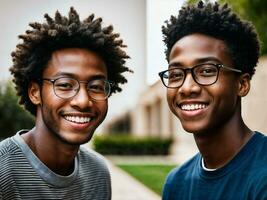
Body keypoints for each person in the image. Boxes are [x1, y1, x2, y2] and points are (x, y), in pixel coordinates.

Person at [0, 7, 131, 200]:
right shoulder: (3, 171)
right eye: (64, 85)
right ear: (35, 93)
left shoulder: (98, 172)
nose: (83, 101)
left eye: (96, 86)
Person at [158, 1, 267, 199]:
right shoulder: (176, 184)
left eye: (207, 71)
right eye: (175, 74)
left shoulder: (262, 178)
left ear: (241, 84)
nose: (187, 87)